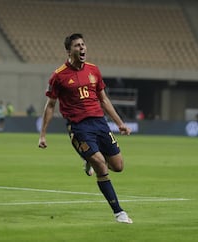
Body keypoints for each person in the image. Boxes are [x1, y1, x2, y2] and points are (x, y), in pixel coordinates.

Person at [38, 33, 133, 224]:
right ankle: (119, 212)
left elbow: (103, 99)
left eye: (83, 45)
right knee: (100, 163)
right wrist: (43, 135)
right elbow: (50, 105)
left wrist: (120, 123)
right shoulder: (58, 76)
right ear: (68, 51)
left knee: (118, 166)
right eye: (77, 46)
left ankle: (88, 158)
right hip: (79, 126)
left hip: (100, 123)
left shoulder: (93, 70)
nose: (82, 48)